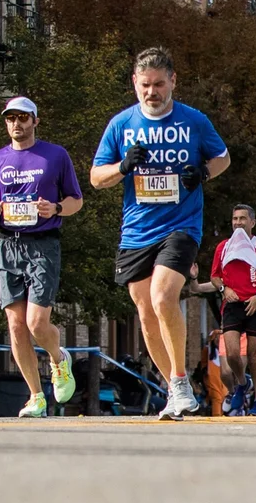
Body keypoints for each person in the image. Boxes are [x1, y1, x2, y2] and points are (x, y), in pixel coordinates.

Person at [91, 47, 230, 420]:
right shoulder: (121, 124)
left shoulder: (193, 121)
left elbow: (222, 157)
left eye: (159, 85)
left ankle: (182, 380)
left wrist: (202, 172)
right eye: (145, 85)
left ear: (173, 82)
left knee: (162, 295)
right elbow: (96, 177)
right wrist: (122, 166)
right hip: (137, 231)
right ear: (134, 84)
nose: (152, 92)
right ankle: (175, 388)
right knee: (145, 311)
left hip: (181, 226)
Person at [0, 96, 84, 417]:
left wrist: (57, 208)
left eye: (23, 118)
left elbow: (76, 200)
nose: (16, 124)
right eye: (11, 119)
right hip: (8, 245)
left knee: (37, 322)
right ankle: (36, 396)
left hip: (43, 244)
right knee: (16, 325)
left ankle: (59, 359)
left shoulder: (55, 156)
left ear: (36, 120)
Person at [209, 204, 256, 417]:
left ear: (252, 222)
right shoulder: (223, 247)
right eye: (235, 219)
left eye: (243, 219)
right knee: (232, 354)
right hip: (232, 305)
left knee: (254, 357)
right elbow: (215, 277)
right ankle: (243, 383)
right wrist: (225, 289)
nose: (238, 223)